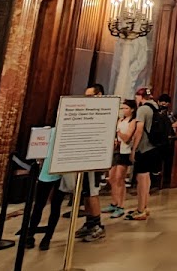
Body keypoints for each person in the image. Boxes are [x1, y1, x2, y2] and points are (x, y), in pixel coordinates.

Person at [22, 128, 64, 250]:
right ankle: (30, 235)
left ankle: (47, 238)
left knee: (55, 206)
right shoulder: (49, 131)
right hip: (46, 172)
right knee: (39, 205)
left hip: (62, 173)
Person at [127, 87, 163, 221]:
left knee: (141, 179)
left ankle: (141, 209)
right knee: (146, 178)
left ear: (140, 97)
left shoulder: (142, 110)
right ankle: (145, 206)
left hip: (144, 148)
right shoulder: (156, 107)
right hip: (154, 147)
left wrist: (133, 149)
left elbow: (139, 130)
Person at [74, 84, 106, 242]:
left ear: (99, 95)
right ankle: (89, 222)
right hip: (83, 157)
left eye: (90, 96)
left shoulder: (104, 113)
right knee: (86, 192)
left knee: (93, 192)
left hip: (94, 158)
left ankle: (97, 224)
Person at [104, 99, 136, 218]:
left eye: (126, 108)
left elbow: (127, 137)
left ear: (132, 109)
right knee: (112, 178)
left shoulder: (132, 122)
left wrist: (119, 133)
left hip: (125, 151)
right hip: (116, 150)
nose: (124, 110)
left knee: (119, 178)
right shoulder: (120, 120)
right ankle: (114, 202)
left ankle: (121, 205)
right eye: (123, 108)